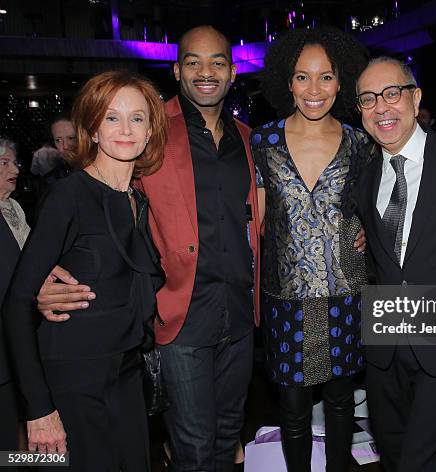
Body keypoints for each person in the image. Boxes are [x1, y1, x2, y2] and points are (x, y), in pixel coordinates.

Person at [36, 26, 262, 472]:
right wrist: (44, 272)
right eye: (193, 62)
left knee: (226, 440)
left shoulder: (247, 137)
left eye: (217, 61)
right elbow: (97, 192)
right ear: (177, 69)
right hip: (179, 316)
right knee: (193, 449)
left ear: (233, 72)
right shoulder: (152, 129)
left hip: (239, 315)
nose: (205, 72)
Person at [2, 70, 166, 471]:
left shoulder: (137, 199)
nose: (125, 129)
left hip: (127, 375)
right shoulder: (69, 196)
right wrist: (39, 410)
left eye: (137, 118)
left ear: (150, 132)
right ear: (92, 129)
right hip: (74, 380)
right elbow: (16, 306)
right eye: (111, 117)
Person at [252, 27, 370, 472]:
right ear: (288, 81)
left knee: (341, 403)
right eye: (303, 77)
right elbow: (257, 223)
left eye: (325, 77)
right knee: (294, 410)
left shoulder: (361, 143)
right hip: (289, 299)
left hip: (343, 292)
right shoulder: (262, 142)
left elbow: (372, 211)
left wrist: (362, 233)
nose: (314, 89)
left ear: (341, 82)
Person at [356, 57, 436, 472]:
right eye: (368, 99)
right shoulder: (365, 173)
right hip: (383, 349)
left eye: (392, 93)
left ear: (415, 96)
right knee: (392, 459)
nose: (381, 108)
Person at [0, 138, 28, 456]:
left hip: (17, 332)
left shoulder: (14, 209)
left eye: (14, 162)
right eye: (5, 163)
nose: (16, 170)